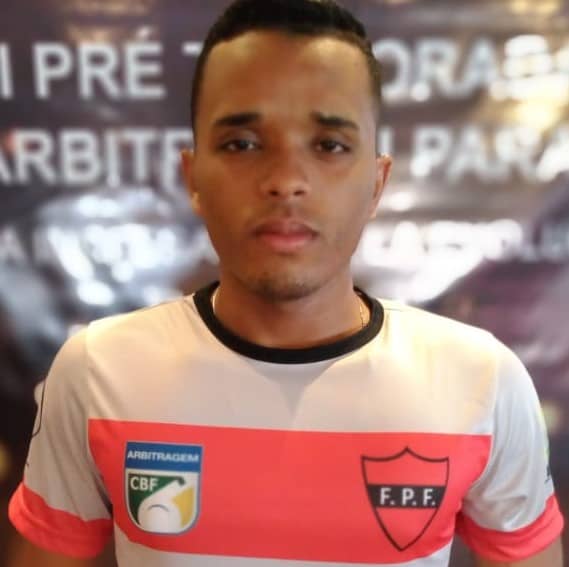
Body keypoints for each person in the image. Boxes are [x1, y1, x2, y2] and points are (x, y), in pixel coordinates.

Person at [7, 0, 565, 565]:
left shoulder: (482, 380)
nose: (285, 180)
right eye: (242, 144)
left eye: (329, 145)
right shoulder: (97, 369)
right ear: (193, 178)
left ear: (377, 183)